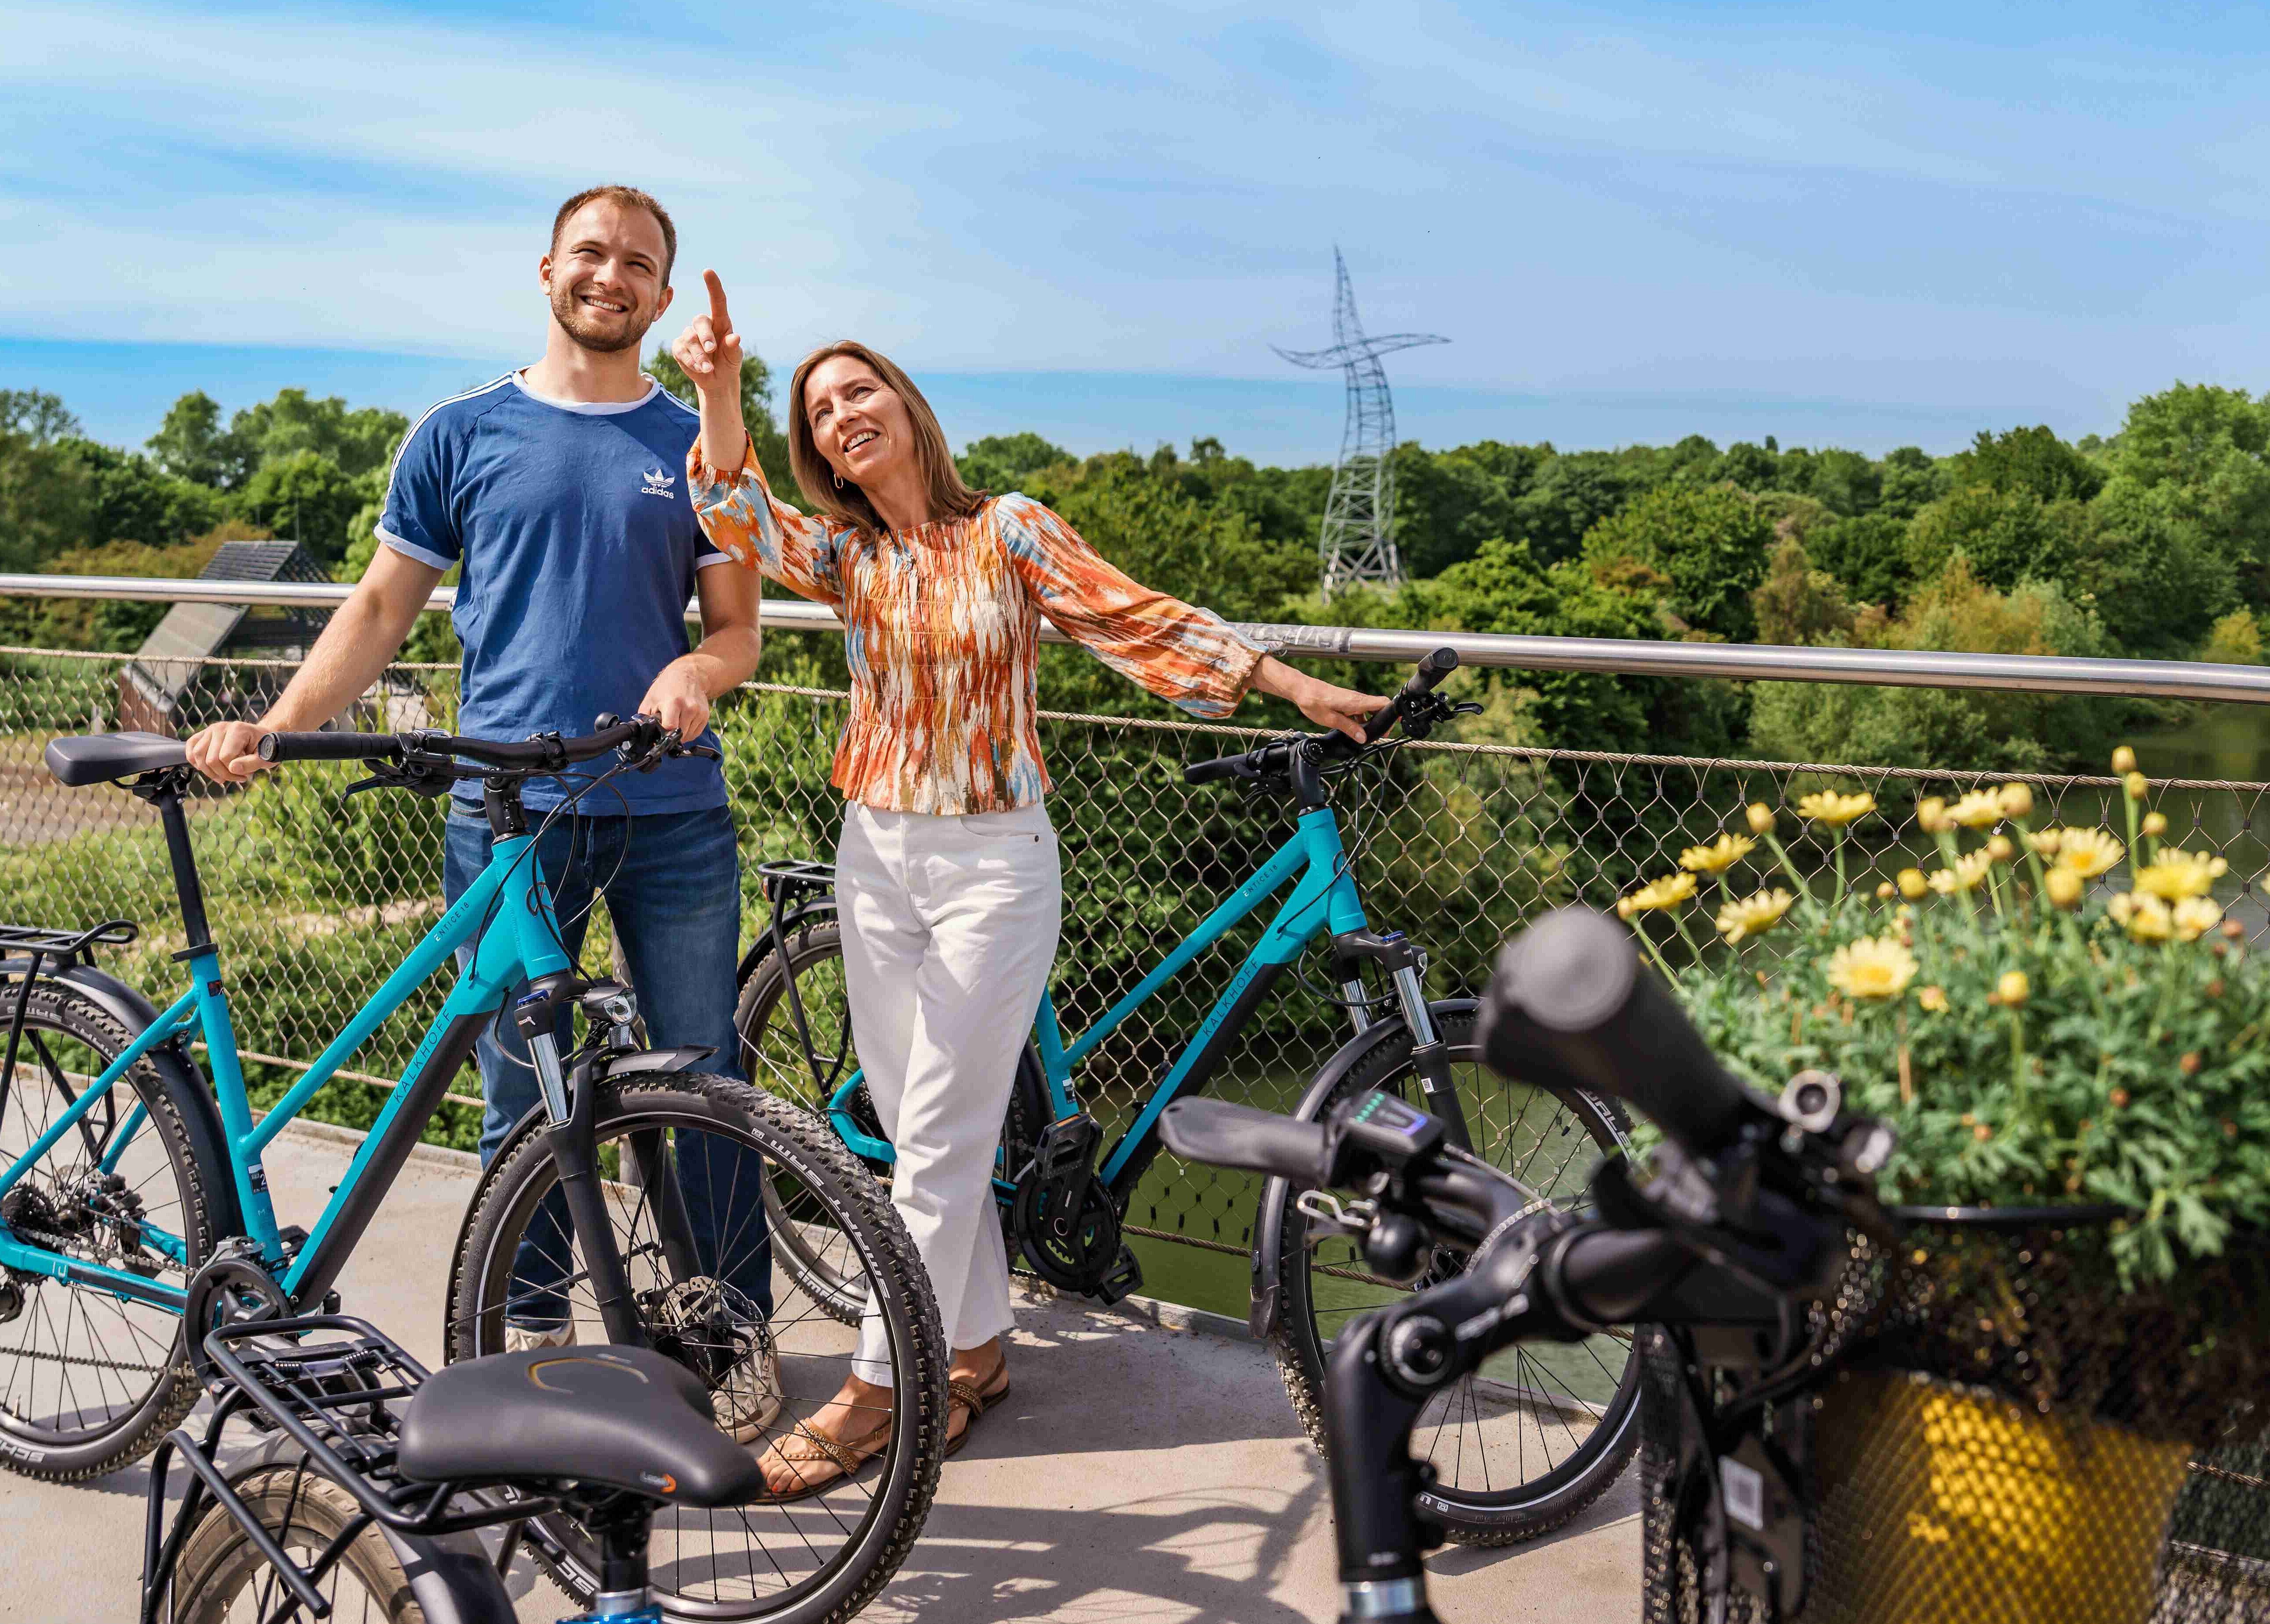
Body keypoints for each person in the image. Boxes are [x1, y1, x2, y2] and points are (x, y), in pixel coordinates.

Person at [671, 274, 1387, 1496]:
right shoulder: (848, 556)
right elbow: (733, 516)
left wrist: (1286, 681)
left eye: (861, 389)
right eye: (822, 407)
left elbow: (1130, 614)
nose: (844, 411)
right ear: (821, 450)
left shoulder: (1006, 528)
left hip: (993, 861)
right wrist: (722, 388)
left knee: (939, 1140)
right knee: (917, 1129)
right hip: (875, 851)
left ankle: (879, 1389)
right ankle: (980, 1350)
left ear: (906, 406)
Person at [186, 185, 778, 1425]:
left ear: (664, 296)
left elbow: (736, 635)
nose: (611, 275)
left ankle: (730, 1331)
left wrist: (693, 672)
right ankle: (537, 1326)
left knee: (709, 1072)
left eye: (638, 263)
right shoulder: (459, 431)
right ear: (548, 268)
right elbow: (380, 609)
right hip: (506, 815)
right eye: (591, 253)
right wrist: (284, 726)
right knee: (521, 1081)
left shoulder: (694, 443)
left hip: (670, 806)